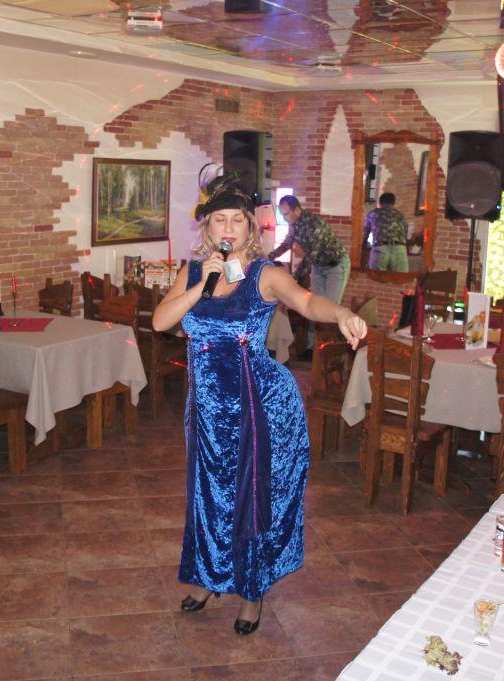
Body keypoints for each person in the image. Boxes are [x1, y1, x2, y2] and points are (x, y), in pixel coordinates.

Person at [152, 177, 367, 635]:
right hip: (206, 410)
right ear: (208, 228)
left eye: (237, 220)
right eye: (220, 220)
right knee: (207, 495)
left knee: (251, 500)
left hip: (257, 405)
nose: (228, 228)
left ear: (250, 228)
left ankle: (251, 593)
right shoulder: (193, 272)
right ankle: (208, 576)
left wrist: (342, 313)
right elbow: (161, 321)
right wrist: (201, 286)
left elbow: (306, 301)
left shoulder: (263, 274)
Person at [268, 195, 350, 304]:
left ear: (297, 210)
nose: (284, 218)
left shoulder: (314, 224)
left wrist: (294, 278)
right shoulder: (294, 223)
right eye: (282, 214)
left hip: (335, 265)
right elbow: (287, 244)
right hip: (318, 265)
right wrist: (269, 257)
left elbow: (310, 256)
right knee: (316, 303)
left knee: (331, 306)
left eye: (286, 214)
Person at [362, 192, 409, 272]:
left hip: (380, 249)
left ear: (380, 203)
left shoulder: (373, 213)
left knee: (376, 278)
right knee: (400, 278)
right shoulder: (401, 215)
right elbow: (405, 233)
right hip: (399, 249)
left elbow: (365, 234)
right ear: (393, 203)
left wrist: (364, 249)